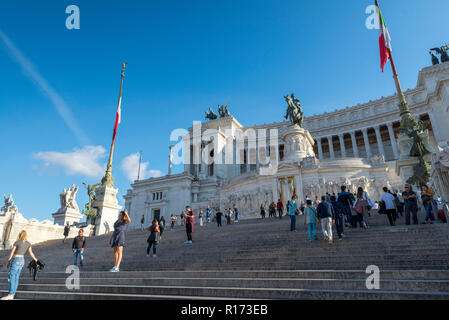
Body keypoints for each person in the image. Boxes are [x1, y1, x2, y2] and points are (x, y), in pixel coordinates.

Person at [1, 230, 39, 300]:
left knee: (12, 277)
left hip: (16, 260)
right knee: (16, 278)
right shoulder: (28, 243)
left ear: (20, 235)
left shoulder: (17, 242)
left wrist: (8, 261)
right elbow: (31, 253)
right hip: (22, 260)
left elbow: (12, 252)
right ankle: (12, 294)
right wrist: (36, 260)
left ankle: (10, 294)